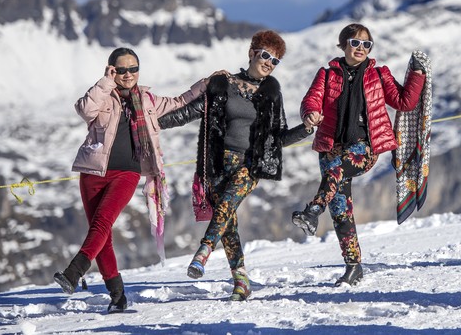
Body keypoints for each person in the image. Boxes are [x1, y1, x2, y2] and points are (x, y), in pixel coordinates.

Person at [157, 30, 313, 301]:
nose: (269, 63)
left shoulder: (272, 93)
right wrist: (153, 124)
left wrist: (307, 129)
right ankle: (241, 281)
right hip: (217, 162)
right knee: (228, 221)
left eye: (275, 60)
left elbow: (279, 137)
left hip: (250, 164)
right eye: (266, 55)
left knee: (227, 204)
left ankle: (204, 251)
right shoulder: (223, 85)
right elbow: (190, 112)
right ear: (252, 52)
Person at [54, 47, 210, 313]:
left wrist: (208, 82)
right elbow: (84, 109)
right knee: (102, 235)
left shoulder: (147, 99)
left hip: (127, 173)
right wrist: (105, 81)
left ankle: (75, 270)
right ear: (112, 70)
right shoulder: (103, 97)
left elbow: (180, 101)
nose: (128, 75)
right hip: (92, 173)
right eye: (122, 70)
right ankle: (118, 296)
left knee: (102, 223)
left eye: (133, 69)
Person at [291, 23, 426, 286]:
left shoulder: (378, 74)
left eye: (367, 44)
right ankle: (353, 267)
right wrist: (310, 114)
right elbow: (311, 100)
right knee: (341, 209)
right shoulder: (327, 75)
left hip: (365, 147)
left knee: (336, 172)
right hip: (331, 148)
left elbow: (404, 102)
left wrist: (418, 75)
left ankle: (313, 210)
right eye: (355, 43)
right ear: (343, 45)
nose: (361, 48)